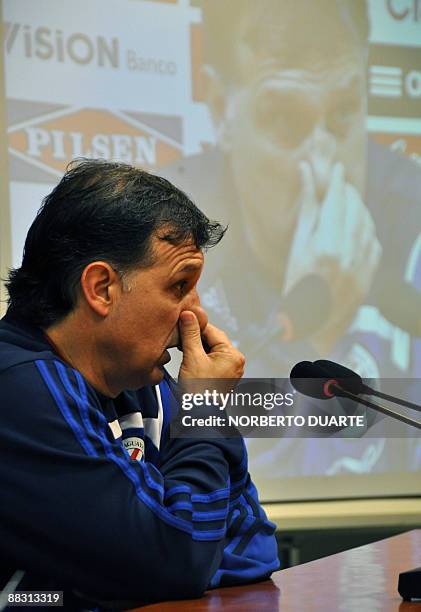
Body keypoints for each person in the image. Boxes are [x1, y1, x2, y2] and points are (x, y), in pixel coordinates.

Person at [0, 159, 279, 610]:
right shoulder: (18, 387)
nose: (197, 315)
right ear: (101, 288)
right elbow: (176, 562)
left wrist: (152, 565)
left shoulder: (146, 382)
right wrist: (204, 411)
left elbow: (254, 547)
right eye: (179, 286)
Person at [162, 0, 421, 475]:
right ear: (221, 109)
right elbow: (214, 469)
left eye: (344, 114)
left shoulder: (413, 225)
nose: (324, 168)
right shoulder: (170, 251)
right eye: (285, 121)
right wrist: (309, 340)